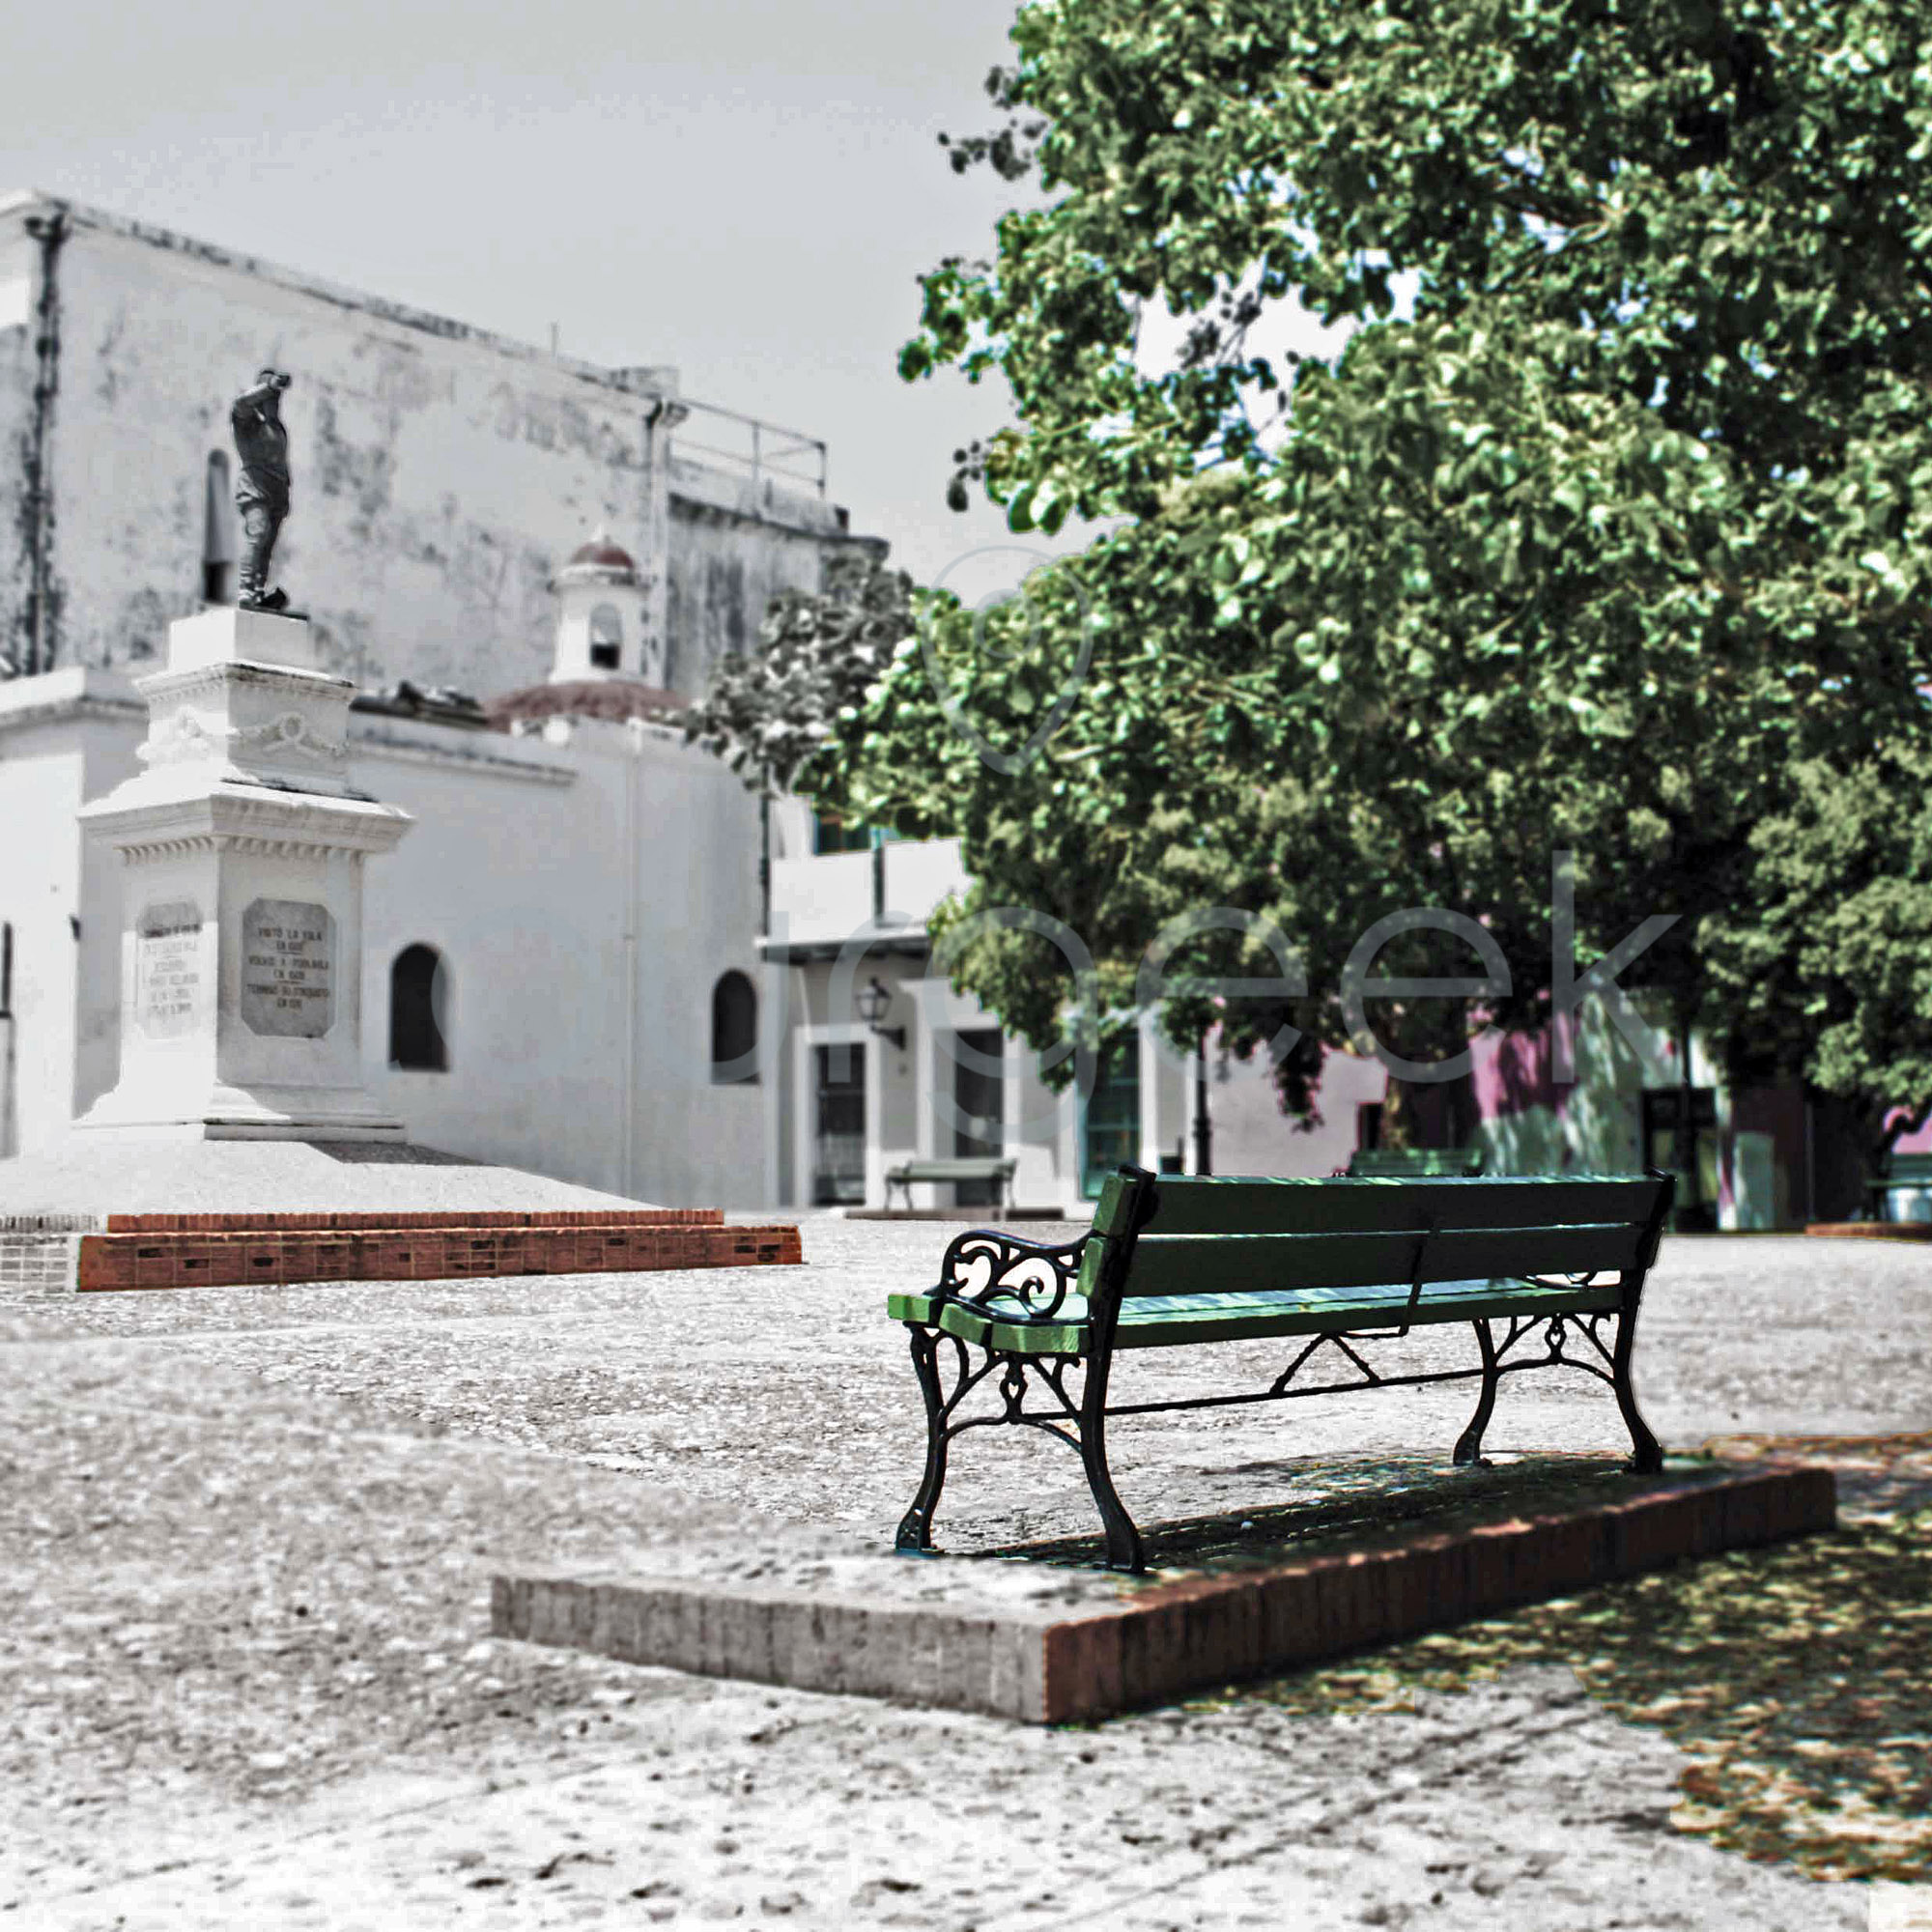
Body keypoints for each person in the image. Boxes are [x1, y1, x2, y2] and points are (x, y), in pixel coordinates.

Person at [232, 368, 293, 611]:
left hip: (277, 491)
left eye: (276, 400)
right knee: (257, 534)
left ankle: (257, 590)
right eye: (269, 399)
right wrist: (269, 386)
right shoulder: (246, 422)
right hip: (255, 488)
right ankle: (246, 588)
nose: (274, 404)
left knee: (267, 544)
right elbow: (240, 403)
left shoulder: (277, 428)